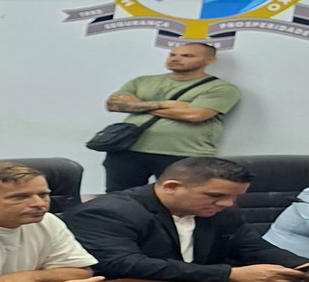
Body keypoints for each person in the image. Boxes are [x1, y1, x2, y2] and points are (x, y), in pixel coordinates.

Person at [64, 157, 309, 282]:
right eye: (215, 196)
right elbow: (125, 264)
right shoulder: (108, 212)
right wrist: (230, 275)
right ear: (171, 187)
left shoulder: (220, 211)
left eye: (234, 197)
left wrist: (300, 266)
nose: (227, 204)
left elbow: (250, 246)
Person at [98, 42, 240, 191]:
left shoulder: (221, 88)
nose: (176, 59)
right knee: (119, 196)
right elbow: (113, 105)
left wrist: (138, 104)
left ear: (210, 60)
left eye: (187, 56)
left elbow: (195, 115)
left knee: (182, 197)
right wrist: (169, 104)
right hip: (128, 149)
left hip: (184, 153)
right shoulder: (142, 81)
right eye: (172, 55)